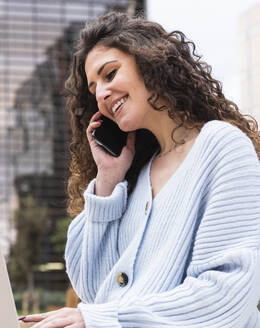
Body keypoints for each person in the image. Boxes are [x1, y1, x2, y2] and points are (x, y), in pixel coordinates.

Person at [21, 12, 260, 328]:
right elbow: (91, 289)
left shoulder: (221, 146)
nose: (102, 95)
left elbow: (225, 299)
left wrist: (97, 319)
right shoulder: (132, 178)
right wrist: (107, 181)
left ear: (150, 62)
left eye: (110, 74)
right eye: (94, 90)